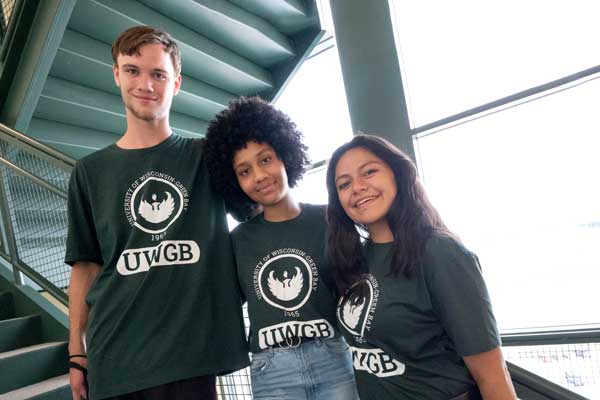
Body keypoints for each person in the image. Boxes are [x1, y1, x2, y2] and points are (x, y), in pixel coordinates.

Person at [65, 26, 249, 400]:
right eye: (133, 70)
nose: (145, 84)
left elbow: (261, 211)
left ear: (176, 83)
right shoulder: (89, 173)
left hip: (190, 362)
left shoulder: (207, 157)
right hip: (114, 359)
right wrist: (76, 353)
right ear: (117, 74)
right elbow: (85, 269)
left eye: (158, 74)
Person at [326, 134, 517, 400]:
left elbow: (493, 375)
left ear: (397, 174)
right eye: (344, 184)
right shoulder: (356, 261)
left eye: (369, 172)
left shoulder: (439, 252)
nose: (357, 187)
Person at [203, 96, 358, 399]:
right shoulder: (237, 242)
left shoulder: (329, 219)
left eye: (265, 159)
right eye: (244, 171)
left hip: (334, 361)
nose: (260, 176)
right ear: (233, 181)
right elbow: (220, 306)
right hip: (272, 371)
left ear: (285, 154)